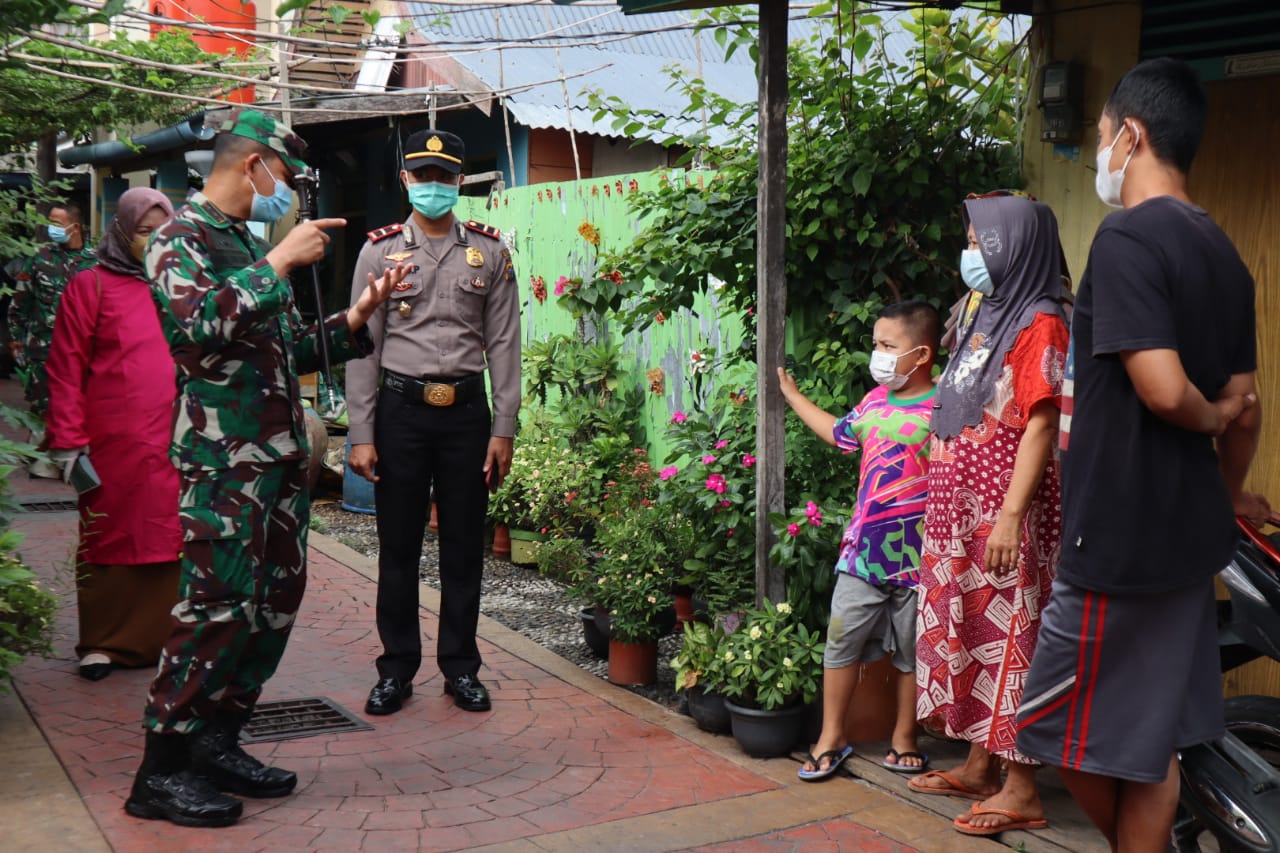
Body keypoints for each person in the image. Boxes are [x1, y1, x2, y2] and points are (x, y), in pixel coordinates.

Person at [125, 108, 405, 829]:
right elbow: (196, 327)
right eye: (286, 175)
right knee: (215, 608)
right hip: (223, 463)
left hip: (277, 460)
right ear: (253, 165)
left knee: (273, 603)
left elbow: (281, 349)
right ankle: (161, 771)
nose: (289, 190)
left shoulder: (241, 241)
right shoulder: (180, 238)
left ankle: (218, 741)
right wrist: (279, 262)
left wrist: (355, 316)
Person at [1016, 58, 1264, 853]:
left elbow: (1164, 389)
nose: (1100, 152)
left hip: (1117, 540)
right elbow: (1249, 408)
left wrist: (1206, 413)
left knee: (1051, 724)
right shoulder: (1223, 254)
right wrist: (1227, 489)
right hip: (1188, 539)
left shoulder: (1127, 237)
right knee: (1151, 742)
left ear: (1131, 135)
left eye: (1101, 135)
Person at [908, 192, 1069, 837]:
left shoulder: (1041, 322)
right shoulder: (985, 309)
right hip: (959, 513)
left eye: (982, 244)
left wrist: (1009, 516)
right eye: (971, 242)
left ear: (1016, 249)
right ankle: (981, 766)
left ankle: (1022, 787)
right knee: (977, 629)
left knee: (1012, 638)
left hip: (1003, 514)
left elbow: (1041, 423)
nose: (970, 253)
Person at [346, 129, 521, 716]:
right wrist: (362, 434)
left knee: (464, 547)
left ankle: (461, 668)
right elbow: (362, 345)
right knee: (397, 548)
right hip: (401, 414)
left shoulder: (490, 252)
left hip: (467, 416)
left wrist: (504, 428)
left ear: (459, 182)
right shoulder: (379, 252)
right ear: (406, 180)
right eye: (423, 176)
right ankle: (396, 669)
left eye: (445, 177)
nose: (434, 186)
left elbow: (505, 343)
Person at [778, 301, 941, 782]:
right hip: (863, 553)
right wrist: (793, 396)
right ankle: (831, 737)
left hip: (921, 558)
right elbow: (838, 434)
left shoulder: (945, 407)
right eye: (876, 345)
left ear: (922, 354)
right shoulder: (873, 402)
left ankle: (905, 738)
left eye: (888, 345)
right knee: (841, 641)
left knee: (913, 653)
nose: (878, 354)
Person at [44, 188, 181, 682]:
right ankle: (103, 643)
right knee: (109, 533)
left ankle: (169, 640)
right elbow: (65, 368)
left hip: (178, 437)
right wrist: (67, 438)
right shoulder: (91, 285)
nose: (155, 241)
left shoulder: (184, 285)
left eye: (164, 232)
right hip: (113, 440)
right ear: (122, 232)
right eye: (145, 232)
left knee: (171, 532)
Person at [8, 201, 96, 476]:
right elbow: (19, 305)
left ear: (75, 227)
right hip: (43, 349)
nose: (50, 229)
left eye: (56, 224)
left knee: (82, 405)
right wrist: (17, 343)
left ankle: (74, 465)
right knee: (43, 406)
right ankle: (43, 463)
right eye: (49, 223)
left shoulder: (96, 262)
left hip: (83, 351)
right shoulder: (39, 259)